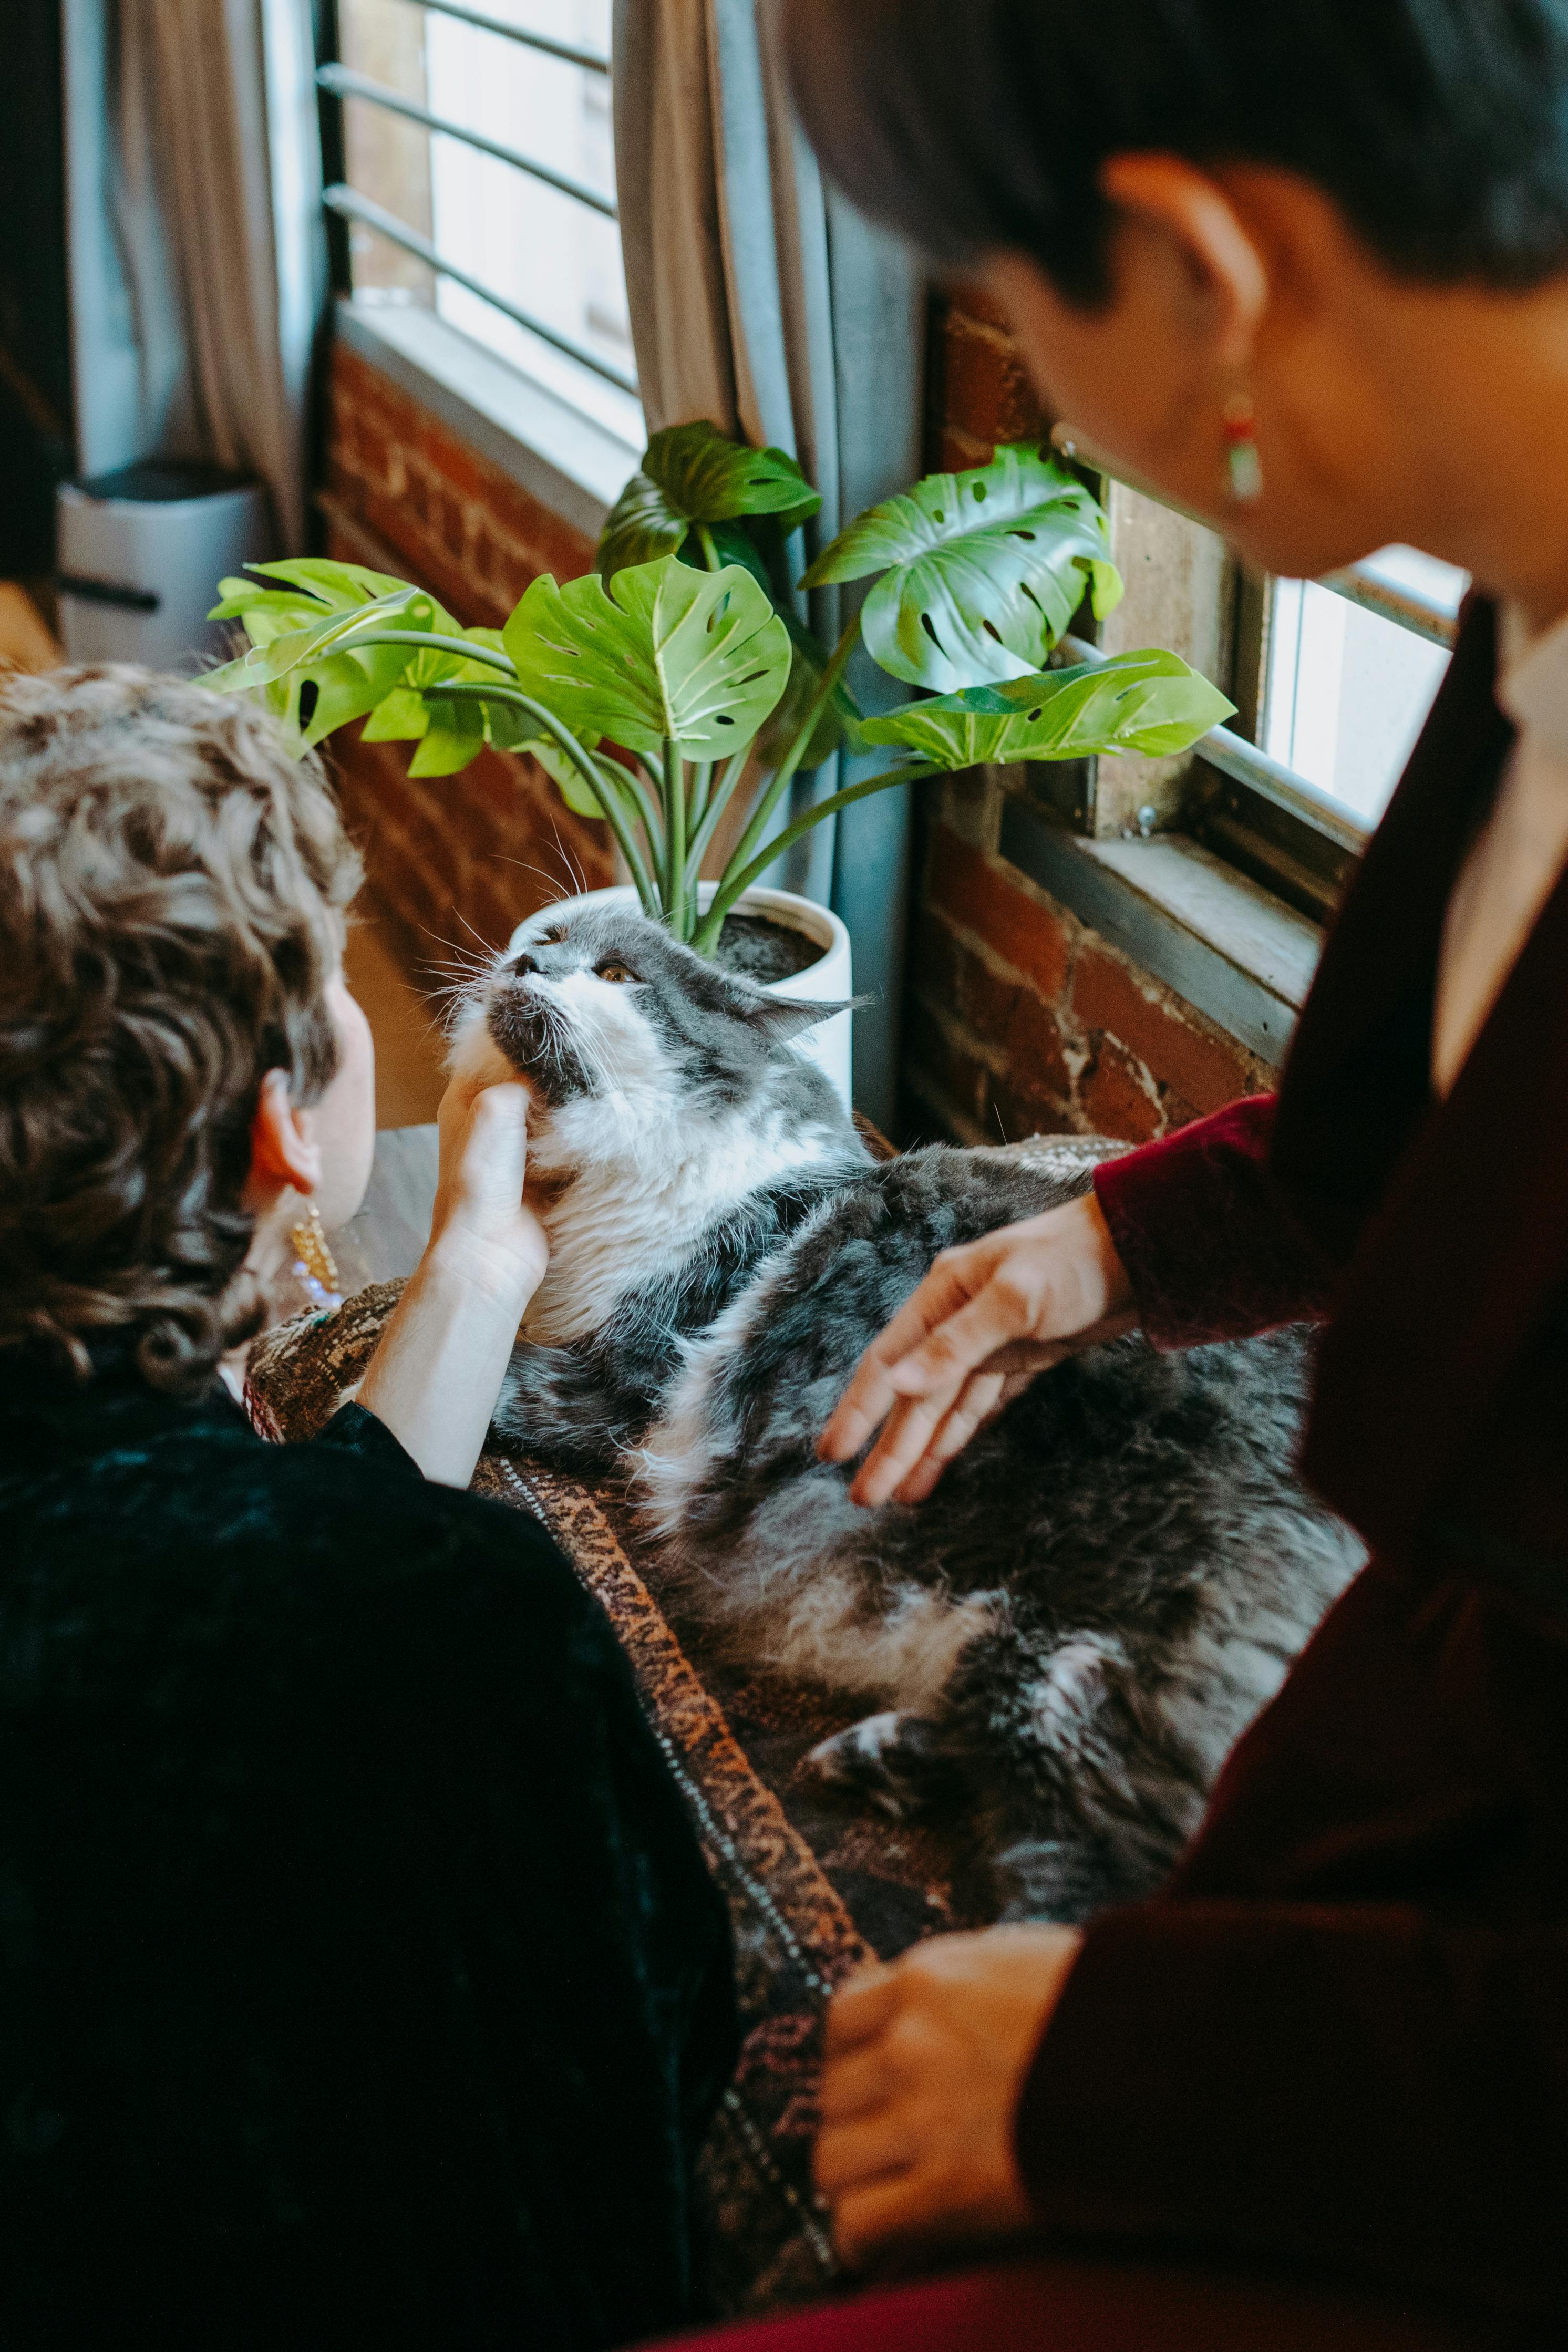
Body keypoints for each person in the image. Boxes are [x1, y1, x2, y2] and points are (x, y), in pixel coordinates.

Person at [651, 0, 1568, 2344]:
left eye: (1018, 296)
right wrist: (1113, 1245)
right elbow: (1433, 1142)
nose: (1042, 400)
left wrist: (1122, 2075)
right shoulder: (1517, 580)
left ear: (1194, 266)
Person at [0, 665, 737, 2349]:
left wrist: (478, 1255)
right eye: (333, 986)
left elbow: (187, 1548)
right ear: (285, 1128)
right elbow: (662, 2042)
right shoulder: (445, 1625)